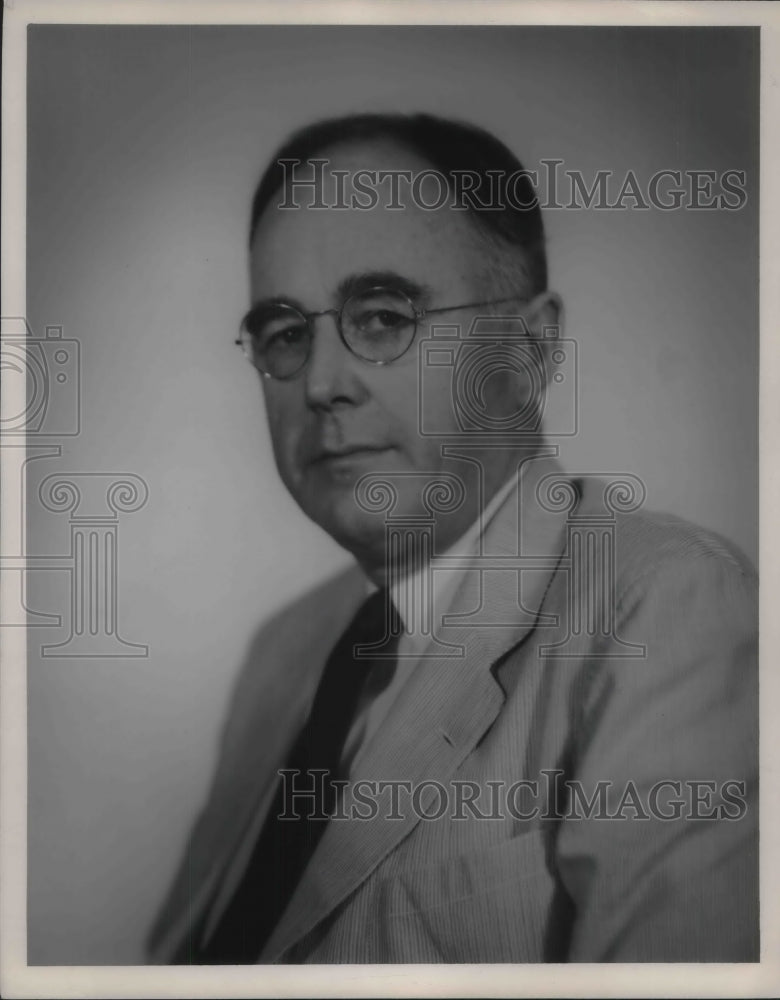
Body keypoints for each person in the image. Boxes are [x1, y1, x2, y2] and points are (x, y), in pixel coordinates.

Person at [147, 113, 758, 964]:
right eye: (287, 333)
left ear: (530, 347)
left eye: (385, 315)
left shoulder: (664, 609)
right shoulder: (284, 655)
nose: (322, 383)